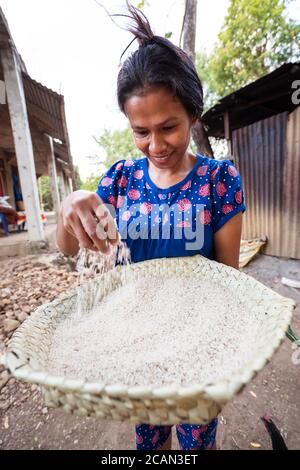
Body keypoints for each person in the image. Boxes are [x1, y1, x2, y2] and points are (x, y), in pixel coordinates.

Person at [57, 3, 246, 451]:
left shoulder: (220, 182)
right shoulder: (119, 181)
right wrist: (69, 206)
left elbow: (228, 279)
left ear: (193, 117)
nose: (155, 145)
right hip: (136, 345)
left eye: (169, 127)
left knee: (197, 442)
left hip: (197, 346)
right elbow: (68, 247)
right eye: (141, 131)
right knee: (150, 441)